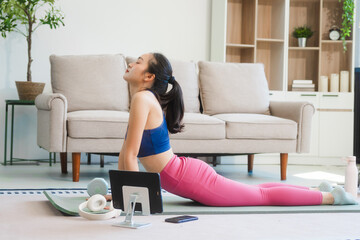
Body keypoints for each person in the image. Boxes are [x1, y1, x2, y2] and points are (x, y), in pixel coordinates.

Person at [117, 52, 358, 206]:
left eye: (137, 61)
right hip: (182, 173)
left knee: (262, 197)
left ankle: (331, 197)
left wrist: (132, 201)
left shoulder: (142, 99)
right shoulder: (144, 99)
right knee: (257, 191)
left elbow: (130, 156)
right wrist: (121, 194)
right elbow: (126, 151)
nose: (131, 63)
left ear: (148, 75)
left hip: (187, 176)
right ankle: (317, 189)